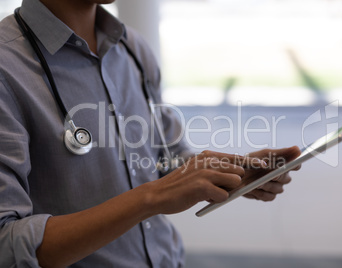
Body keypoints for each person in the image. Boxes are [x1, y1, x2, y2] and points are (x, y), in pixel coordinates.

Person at [0, 0, 301, 267]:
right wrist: (150, 197)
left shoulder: (132, 49)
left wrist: (231, 173)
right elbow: (6, 245)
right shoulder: (7, 68)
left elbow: (165, 159)